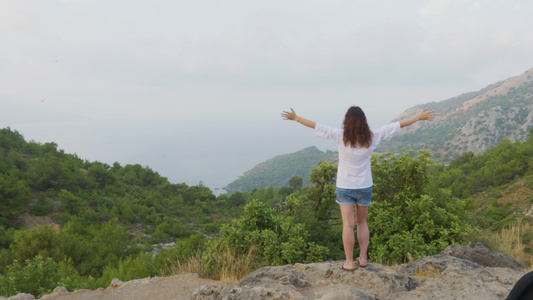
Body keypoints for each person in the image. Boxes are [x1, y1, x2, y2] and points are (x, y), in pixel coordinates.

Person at [281, 106, 436, 270]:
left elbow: (316, 126)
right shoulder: (372, 136)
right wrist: (418, 117)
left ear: (346, 121)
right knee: (362, 223)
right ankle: (362, 258)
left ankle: (348, 262)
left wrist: (296, 118)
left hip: (345, 186)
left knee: (348, 225)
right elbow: (397, 125)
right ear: (364, 121)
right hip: (364, 186)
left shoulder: (340, 136)